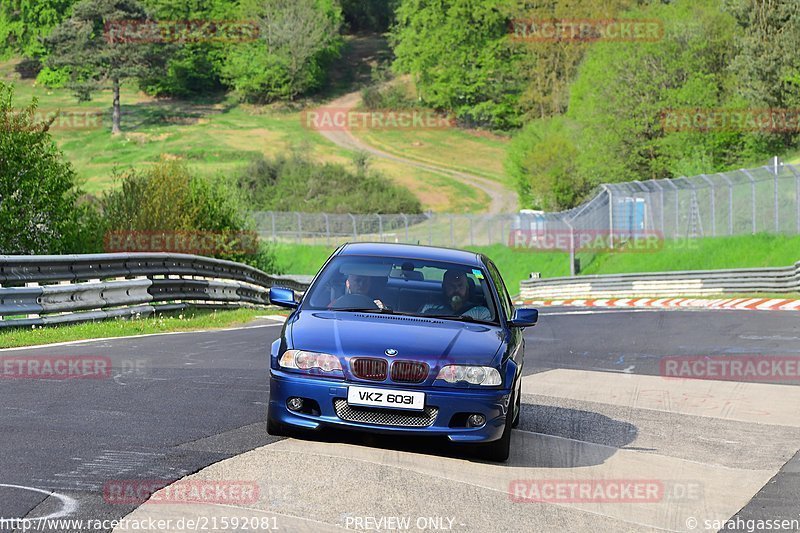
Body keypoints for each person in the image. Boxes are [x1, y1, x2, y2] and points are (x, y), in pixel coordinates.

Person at [420, 269, 491, 321]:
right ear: (444, 287)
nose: (456, 290)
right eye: (451, 286)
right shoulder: (428, 309)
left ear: (467, 287)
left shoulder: (481, 313)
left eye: (460, 286)